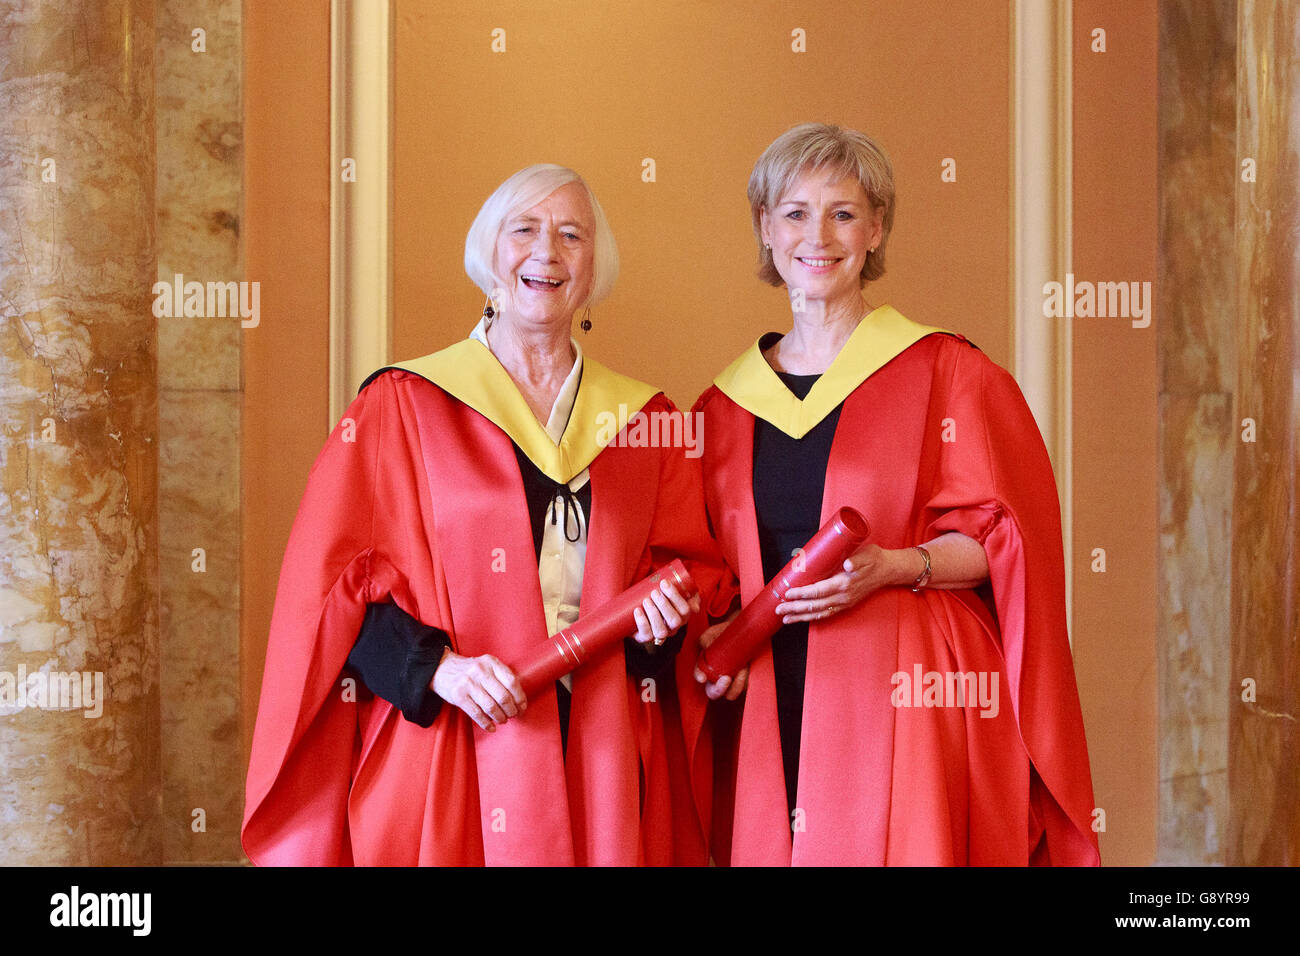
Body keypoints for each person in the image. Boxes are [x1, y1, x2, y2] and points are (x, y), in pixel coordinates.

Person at [242, 164, 730, 866]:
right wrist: (438, 669)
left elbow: (690, 577)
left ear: (594, 270)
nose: (547, 252)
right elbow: (332, 590)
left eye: (572, 234)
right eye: (524, 230)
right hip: (451, 741)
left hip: (598, 747)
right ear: (487, 255)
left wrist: (662, 626)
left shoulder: (643, 422)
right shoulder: (404, 406)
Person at [692, 123, 1100, 866]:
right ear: (765, 228)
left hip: (904, 689)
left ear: (876, 230)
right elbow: (703, 567)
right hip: (769, 695)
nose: (819, 235)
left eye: (844, 213)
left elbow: (1005, 541)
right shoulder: (722, 409)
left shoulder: (947, 372)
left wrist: (896, 565)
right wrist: (714, 632)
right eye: (794, 212)